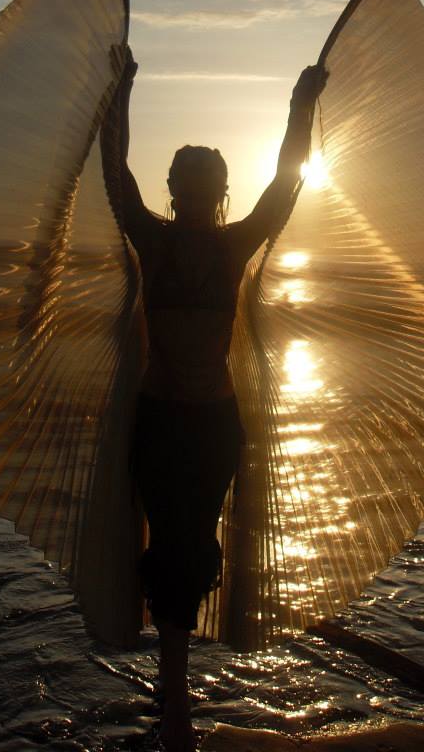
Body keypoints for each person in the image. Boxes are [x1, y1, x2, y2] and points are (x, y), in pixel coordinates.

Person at [111, 47, 327, 752]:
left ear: (219, 190)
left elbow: (286, 182)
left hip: (212, 426)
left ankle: (174, 696)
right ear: (175, 189)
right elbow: (114, 176)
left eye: (206, 182)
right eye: (186, 181)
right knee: (169, 547)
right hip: (159, 419)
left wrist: (300, 107)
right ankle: (176, 702)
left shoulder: (236, 246)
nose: (196, 192)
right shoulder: (152, 238)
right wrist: (121, 91)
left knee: (194, 548)